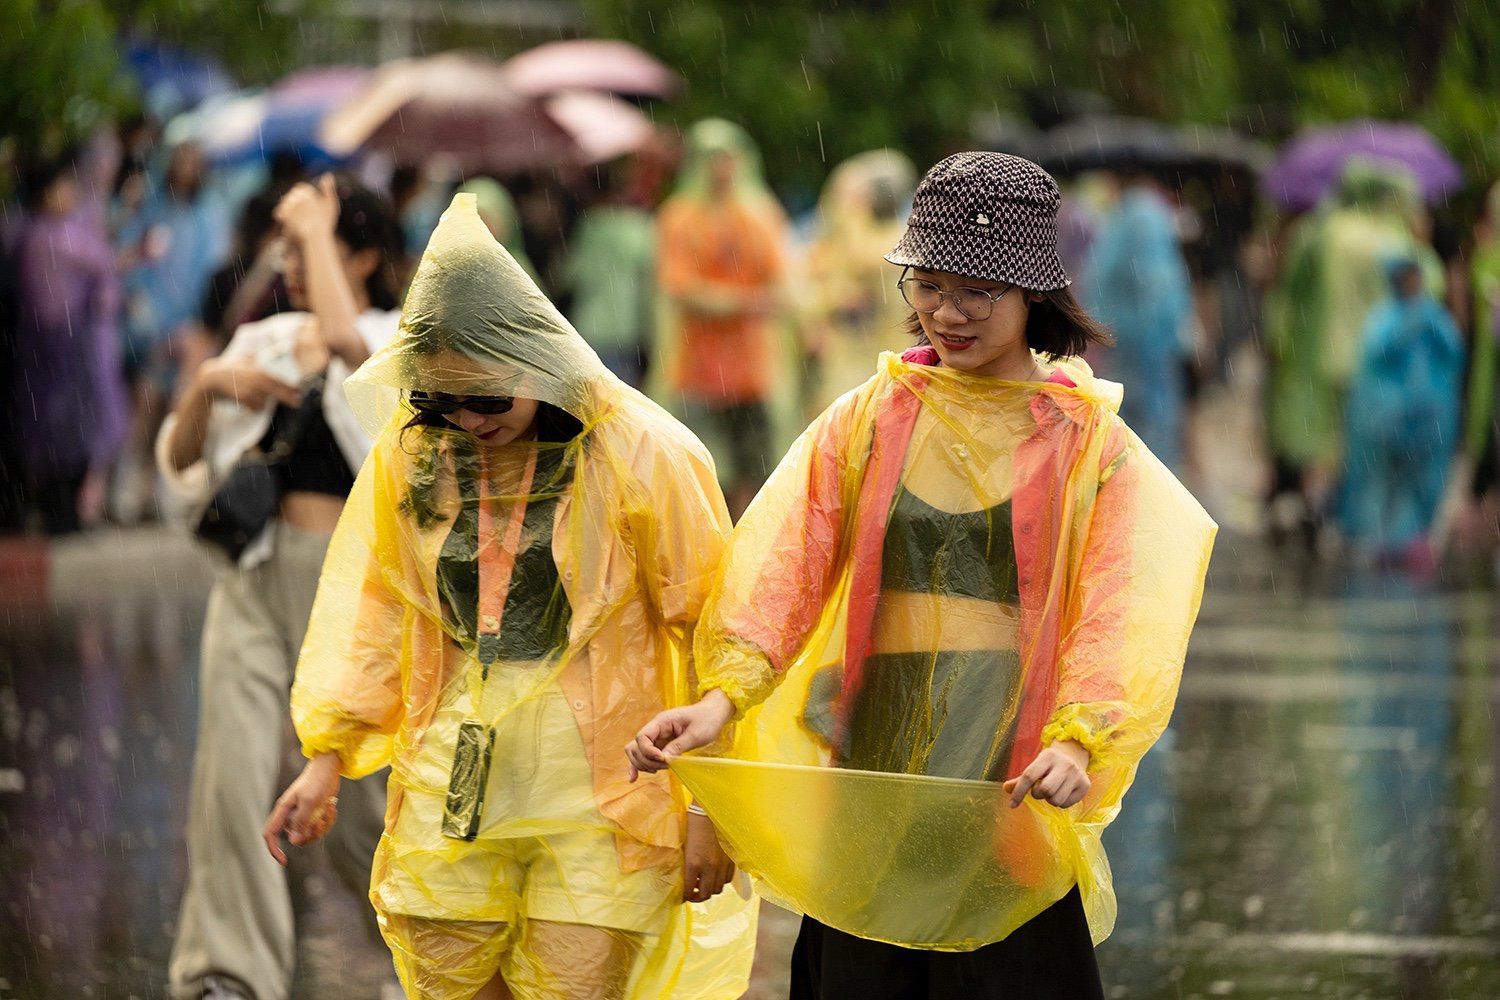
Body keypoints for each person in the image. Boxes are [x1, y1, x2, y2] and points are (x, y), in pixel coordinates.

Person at [628, 152, 1216, 999]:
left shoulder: (1087, 443)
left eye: (978, 290)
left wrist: (1076, 739)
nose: (948, 312)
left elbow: (1117, 613)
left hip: (1007, 774)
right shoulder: (870, 416)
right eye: (928, 285)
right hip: (877, 752)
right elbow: (784, 570)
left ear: (1034, 296)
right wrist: (719, 702)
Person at [262, 193, 757, 1000]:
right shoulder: (418, 456)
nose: (464, 418)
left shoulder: (645, 455)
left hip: (603, 800)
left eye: (487, 397)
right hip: (451, 787)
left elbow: (718, 626)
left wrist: (710, 807)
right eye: (438, 399)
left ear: (538, 365)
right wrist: (327, 760)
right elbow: (376, 608)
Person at [157, 174, 404, 1000]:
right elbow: (183, 461)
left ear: (365, 256)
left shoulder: (395, 337)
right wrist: (207, 388)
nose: (293, 264)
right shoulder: (260, 340)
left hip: (356, 602)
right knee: (228, 787)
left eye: (314, 250)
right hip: (255, 586)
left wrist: (310, 215)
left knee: (361, 810)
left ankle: (440, 955)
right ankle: (227, 975)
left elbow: (369, 384)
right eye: (286, 248)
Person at [1262, 160, 1431, 550]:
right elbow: (1424, 292)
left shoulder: (1319, 232)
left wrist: (1280, 343)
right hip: (1378, 361)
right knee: (1361, 443)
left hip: (1321, 353)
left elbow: (1289, 295)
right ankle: (1358, 525)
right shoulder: (1395, 239)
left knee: (1318, 440)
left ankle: (1316, 514)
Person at [656, 119, 787, 515]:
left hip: (750, 368)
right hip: (698, 367)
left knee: (757, 468)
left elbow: (779, 282)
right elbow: (681, 288)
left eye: (728, 159)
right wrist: (745, 302)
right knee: (703, 465)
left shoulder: (759, 213)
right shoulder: (679, 216)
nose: (722, 169)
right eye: (713, 159)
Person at [7, 153, 130, 534]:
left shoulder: (31, 235)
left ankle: (61, 510)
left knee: (56, 432)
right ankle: (62, 513)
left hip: (46, 348)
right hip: (58, 347)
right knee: (65, 433)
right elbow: (106, 262)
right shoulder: (53, 236)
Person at [1338, 255, 1465, 570]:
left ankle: (1411, 542)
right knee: (1384, 486)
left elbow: (1454, 353)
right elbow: (1375, 358)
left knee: (1425, 485)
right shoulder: (1384, 319)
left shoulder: (1433, 317)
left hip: (1429, 423)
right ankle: (1386, 544)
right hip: (1389, 425)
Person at [1083, 169, 1193, 471]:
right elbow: (1160, 286)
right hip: (1138, 342)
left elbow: (1148, 285)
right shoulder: (1141, 216)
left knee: (1138, 432)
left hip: (1134, 342)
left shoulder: (1137, 216)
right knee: (1146, 432)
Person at [798, 150, 915, 417]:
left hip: (884, 355)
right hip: (851, 358)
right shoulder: (836, 245)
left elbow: (867, 258)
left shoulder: (892, 240)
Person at [561, 159, 656, 389]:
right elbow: (651, 275)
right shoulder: (641, 226)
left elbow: (569, 277)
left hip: (590, 325)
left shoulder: (590, 225)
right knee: (622, 406)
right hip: (627, 326)